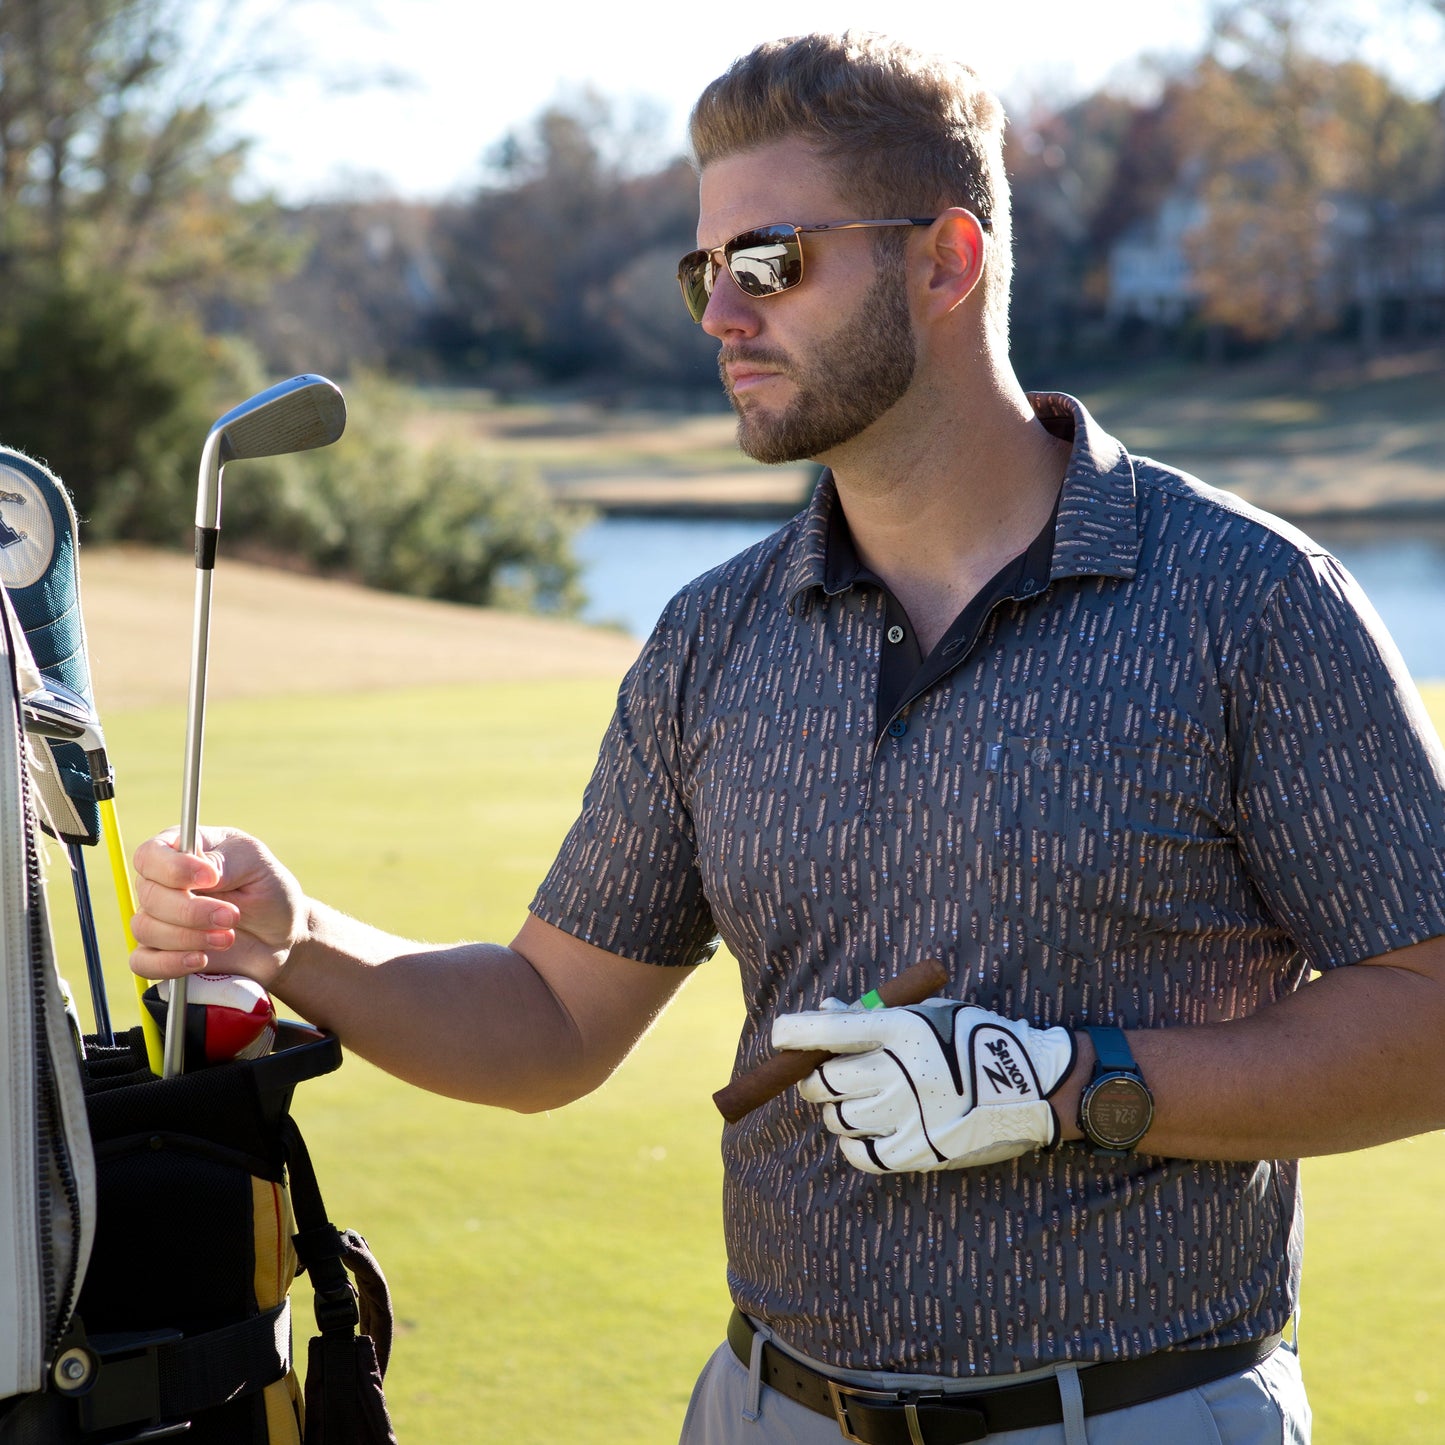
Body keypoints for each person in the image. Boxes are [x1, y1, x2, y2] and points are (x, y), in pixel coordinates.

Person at [131, 32, 1445, 1445]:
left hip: (1137, 1416)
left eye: (770, 261)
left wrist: (1067, 1085)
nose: (720, 314)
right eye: (702, 271)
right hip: (765, 1408)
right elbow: (551, 1020)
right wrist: (296, 939)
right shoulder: (713, 636)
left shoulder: (1251, 602)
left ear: (945, 260)